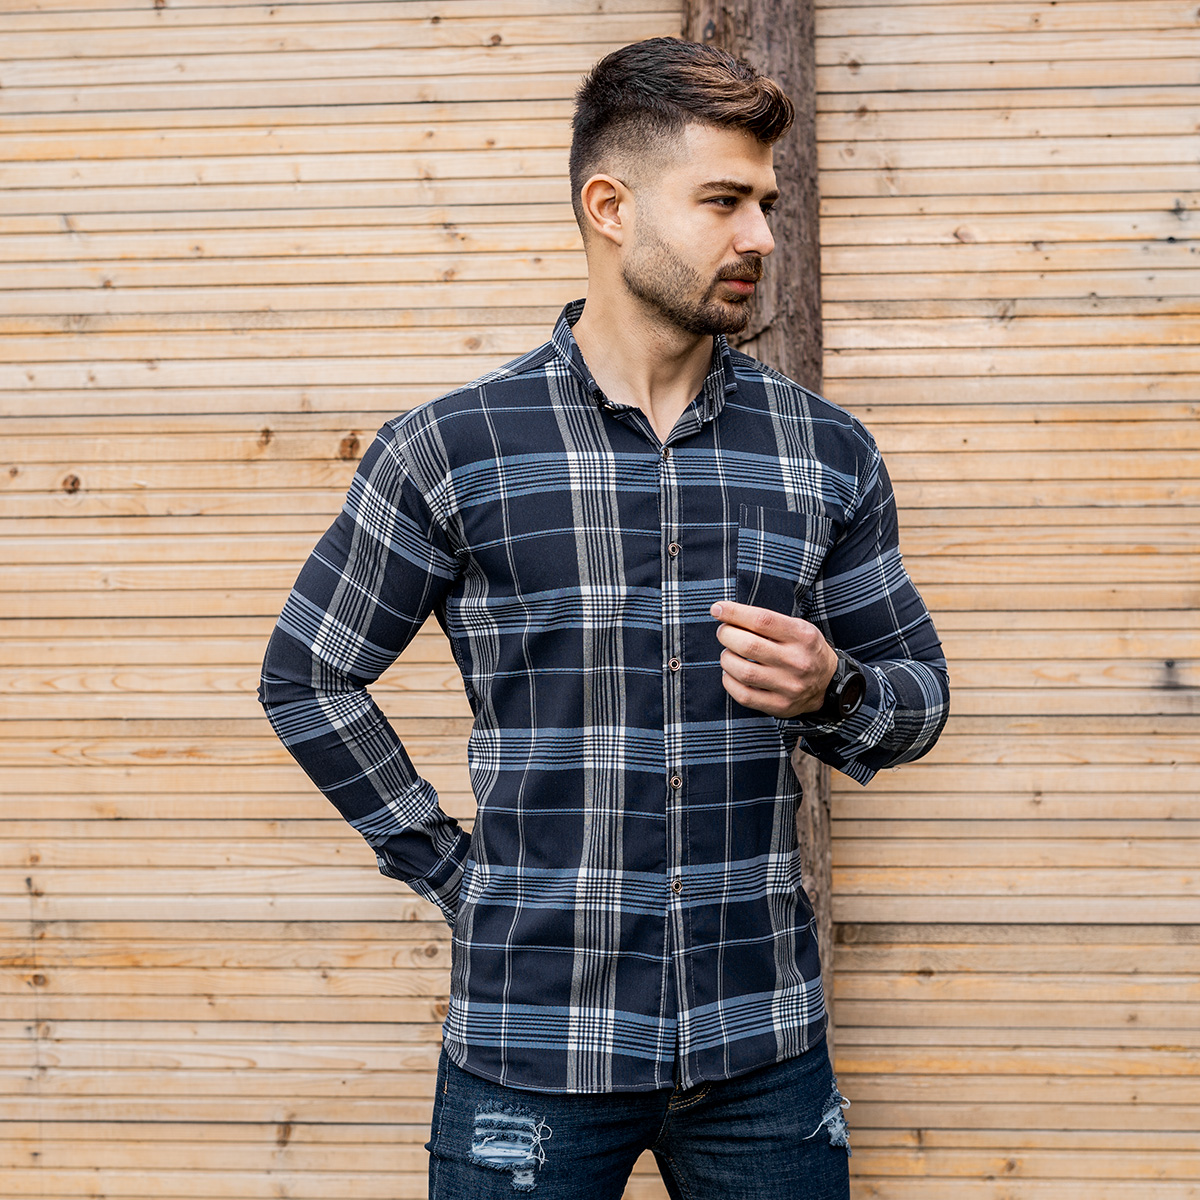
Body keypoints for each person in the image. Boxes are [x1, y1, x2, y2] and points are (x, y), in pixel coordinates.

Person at [259, 36, 949, 1200]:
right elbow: (308, 676)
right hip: (530, 1051)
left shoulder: (824, 451)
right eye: (723, 201)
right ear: (610, 207)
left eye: (767, 205)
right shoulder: (452, 450)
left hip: (761, 1052)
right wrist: (452, 874)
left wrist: (835, 688)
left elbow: (919, 701)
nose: (760, 237)